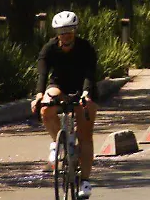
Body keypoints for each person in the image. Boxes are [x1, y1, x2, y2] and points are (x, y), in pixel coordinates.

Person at [33, 11, 99, 200]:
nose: (66, 35)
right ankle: (58, 142)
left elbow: (89, 73)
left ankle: (85, 181)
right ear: (57, 33)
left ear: (75, 31)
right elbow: (42, 75)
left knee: (85, 134)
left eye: (69, 31)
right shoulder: (49, 49)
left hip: (83, 89)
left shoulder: (86, 48)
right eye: (62, 32)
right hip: (59, 87)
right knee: (46, 106)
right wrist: (38, 96)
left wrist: (86, 94)